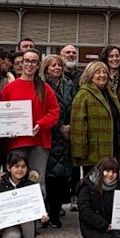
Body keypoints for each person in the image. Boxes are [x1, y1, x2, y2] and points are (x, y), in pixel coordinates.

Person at [0, 49, 61, 202]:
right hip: (16, 141)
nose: (29, 64)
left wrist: (40, 124)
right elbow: (1, 114)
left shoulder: (45, 88)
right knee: (15, 180)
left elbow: (54, 112)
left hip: (39, 141)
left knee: (37, 181)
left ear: (38, 65)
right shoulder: (9, 88)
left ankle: (35, 219)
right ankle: (16, 216)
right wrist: (7, 130)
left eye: (34, 61)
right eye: (26, 61)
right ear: (21, 63)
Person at [41, 54, 78, 226]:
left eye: (59, 65)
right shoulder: (41, 86)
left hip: (65, 138)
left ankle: (55, 213)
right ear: (46, 68)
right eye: (52, 65)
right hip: (49, 135)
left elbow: (75, 107)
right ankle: (46, 214)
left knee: (62, 177)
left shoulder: (69, 85)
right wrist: (58, 126)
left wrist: (70, 126)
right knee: (48, 178)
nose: (56, 68)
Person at [0, 152, 48, 238]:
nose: (20, 170)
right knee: (12, 237)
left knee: (28, 215)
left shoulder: (31, 185)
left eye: (23, 166)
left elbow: (38, 204)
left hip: (27, 223)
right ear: (8, 167)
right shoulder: (1, 185)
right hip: (9, 224)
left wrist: (43, 215)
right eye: (16, 166)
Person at [70, 61, 120, 166]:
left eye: (104, 72)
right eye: (98, 72)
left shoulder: (111, 94)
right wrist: (79, 153)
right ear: (90, 75)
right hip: (93, 154)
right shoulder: (83, 95)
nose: (102, 75)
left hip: (113, 149)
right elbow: (78, 126)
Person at [77, 156, 120, 238]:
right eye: (107, 171)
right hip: (94, 228)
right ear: (100, 170)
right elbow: (85, 211)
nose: (110, 175)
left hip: (111, 227)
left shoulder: (119, 188)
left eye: (114, 172)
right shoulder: (87, 186)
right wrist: (104, 225)